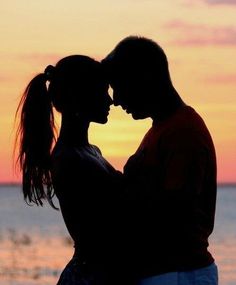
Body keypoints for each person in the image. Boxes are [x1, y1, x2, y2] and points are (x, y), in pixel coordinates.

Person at [102, 36, 218, 285]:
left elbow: (173, 211)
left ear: (145, 77)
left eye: (119, 86)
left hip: (177, 273)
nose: (117, 99)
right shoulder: (162, 130)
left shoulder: (184, 131)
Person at [15, 55, 123, 285]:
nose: (110, 101)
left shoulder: (90, 151)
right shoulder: (69, 159)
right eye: (102, 91)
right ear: (80, 97)